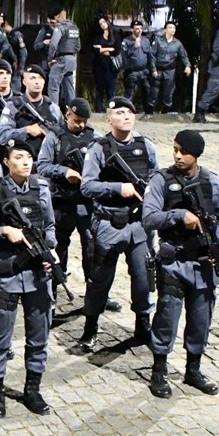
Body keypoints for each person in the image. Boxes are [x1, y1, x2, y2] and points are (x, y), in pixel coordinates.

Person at [142, 130, 219, 398]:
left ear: (197, 155)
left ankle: (193, 369)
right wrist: (179, 215)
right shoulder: (161, 180)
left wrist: (218, 241)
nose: (178, 156)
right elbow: (149, 218)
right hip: (174, 262)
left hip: (203, 264)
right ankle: (159, 370)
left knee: (201, 319)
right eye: (175, 150)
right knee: (166, 317)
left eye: (184, 152)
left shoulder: (212, 182)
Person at [0, 139, 58, 418]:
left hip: (38, 274)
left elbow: (50, 226)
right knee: (0, 338)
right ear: (6, 161)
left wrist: (49, 248)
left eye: (29, 157)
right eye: (18, 157)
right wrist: (4, 231)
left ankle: (32, 389)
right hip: (7, 273)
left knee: (39, 336)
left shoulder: (41, 188)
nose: (25, 162)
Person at [71, 96, 160, 354]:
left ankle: (143, 325)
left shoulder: (146, 146)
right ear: (109, 120)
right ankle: (90, 327)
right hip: (110, 222)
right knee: (100, 278)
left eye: (129, 112)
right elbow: (87, 186)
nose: (125, 117)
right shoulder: (99, 148)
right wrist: (119, 188)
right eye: (119, 113)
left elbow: (156, 179)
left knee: (143, 277)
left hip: (140, 224)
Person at [36, 96, 102, 283]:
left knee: (91, 245)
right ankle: (56, 283)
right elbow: (42, 166)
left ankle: (93, 287)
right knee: (59, 244)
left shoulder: (95, 137)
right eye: (77, 120)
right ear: (67, 115)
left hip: (87, 201)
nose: (81, 125)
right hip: (62, 200)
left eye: (84, 121)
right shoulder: (54, 137)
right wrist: (64, 172)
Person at [0, 65, 63, 159]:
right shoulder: (13, 106)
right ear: (24, 82)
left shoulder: (53, 108)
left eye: (40, 78)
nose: (37, 82)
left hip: (48, 161)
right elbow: (3, 137)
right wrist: (26, 130)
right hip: (21, 161)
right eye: (32, 78)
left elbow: (63, 135)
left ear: (44, 82)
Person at [119, 20, 157, 116]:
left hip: (144, 71)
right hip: (132, 72)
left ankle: (149, 114)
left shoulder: (146, 41)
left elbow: (150, 56)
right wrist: (134, 47)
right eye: (136, 29)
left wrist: (153, 69)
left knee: (147, 92)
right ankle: (126, 113)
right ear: (132, 30)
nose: (139, 30)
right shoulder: (126, 41)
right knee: (129, 94)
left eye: (140, 28)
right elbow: (124, 56)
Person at [46, 8, 81, 109]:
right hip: (71, 59)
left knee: (53, 87)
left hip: (61, 59)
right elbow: (78, 46)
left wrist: (50, 58)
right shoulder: (74, 28)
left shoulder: (60, 28)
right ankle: (73, 110)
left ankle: (53, 112)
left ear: (58, 16)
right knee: (69, 87)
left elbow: (53, 44)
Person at [90, 14, 119, 113]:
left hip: (111, 67)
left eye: (103, 22)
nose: (102, 24)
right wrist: (109, 49)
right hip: (99, 67)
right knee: (99, 90)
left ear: (107, 22)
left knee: (110, 91)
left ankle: (111, 111)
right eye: (100, 23)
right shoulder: (98, 37)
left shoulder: (115, 36)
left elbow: (116, 51)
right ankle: (99, 111)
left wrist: (102, 49)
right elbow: (95, 50)